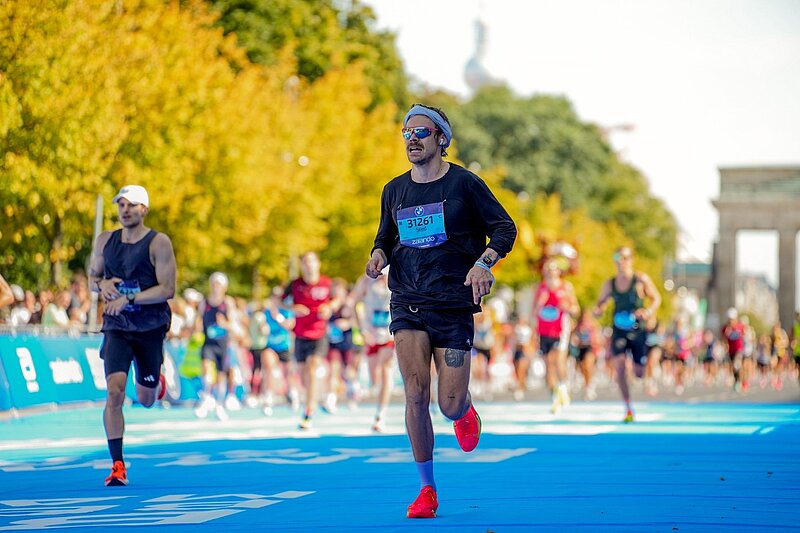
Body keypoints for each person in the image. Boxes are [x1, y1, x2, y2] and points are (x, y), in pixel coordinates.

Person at [366, 103, 516, 518]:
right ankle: (426, 490)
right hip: (407, 302)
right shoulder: (394, 190)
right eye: (406, 133)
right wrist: (378, 255)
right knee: (415, 393)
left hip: (452, 304)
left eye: (421, 132)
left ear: (441, 139)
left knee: (447, 403)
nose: (412, 140)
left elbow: (505, 228)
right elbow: (384, 237)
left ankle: (464, 410)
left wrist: (483, 263)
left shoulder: (465, 184)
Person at [88, 185, 175, 486]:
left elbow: (168, 289)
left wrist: (130, 298)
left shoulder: (158, 242)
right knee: (115, 391)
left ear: (144, 210)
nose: (125, 210)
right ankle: (117, 464)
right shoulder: (105, 240)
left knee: (146, 399)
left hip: (150, 326)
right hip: (117, 325)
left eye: (132, 205)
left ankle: (156, 381)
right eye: (121, 205)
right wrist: (102, 285)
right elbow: (92, 278)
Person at [593, 246, 661, 423]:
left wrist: (648, 311)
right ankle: (628, 406)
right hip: (619, 331)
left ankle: (642, 373)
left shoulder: (640, 279)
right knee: (620, 367)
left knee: (639, 373)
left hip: (638, 331)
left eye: (624, 257)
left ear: (631, 259)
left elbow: (656, 298)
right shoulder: (610, 283)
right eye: (618, 257)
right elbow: (601, 302)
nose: (621, 261)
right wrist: (599, 309)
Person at [283, 251, 332, 429]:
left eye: (311, 261)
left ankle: (308, 412)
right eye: (305, 262)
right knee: (304, 376)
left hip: (319, 334)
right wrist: (292, 308)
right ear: (302, 266)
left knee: (312, 368)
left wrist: (329, 307)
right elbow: (277, 301)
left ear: (318, 264)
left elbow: (340, 299)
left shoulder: (327, 283)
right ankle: (319, 395)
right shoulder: (295, 284)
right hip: (300, 335)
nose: (309, 265)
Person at [531, 259, 579, 414]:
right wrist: (540, 303)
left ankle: (563, 387)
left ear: (559, 271)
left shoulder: (566, 287)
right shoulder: (540, 288)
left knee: (557, 360)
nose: (551, 271)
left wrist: (567, 307)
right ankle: (554, 397)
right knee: (548, 365)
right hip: (543, 331)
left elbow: (576, 309)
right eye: (548, 268)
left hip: (560, 330)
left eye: (554, 268)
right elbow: (534, 311)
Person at [351, 268, 395, 431]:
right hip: (371, 335)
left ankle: (381, 414)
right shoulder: (366, 281)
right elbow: (353, 303)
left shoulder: (397, 277)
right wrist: (361, 329)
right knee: (374, 378)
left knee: (385, 368)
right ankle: (376, 396)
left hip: (390, 334)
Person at [194, 272, 236, 420]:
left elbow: (233, 325)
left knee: (221, 375)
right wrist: (195, 328)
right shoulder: (204, 303)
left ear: (224, 287)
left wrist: (224, 324)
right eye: (214, 284)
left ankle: (219, 404)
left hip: (222, 344)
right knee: (206, 366)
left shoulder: (228, 302)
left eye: (219, 284)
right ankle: (206, 397)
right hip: (208, 343)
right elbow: (197, 320)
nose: (216, 287)